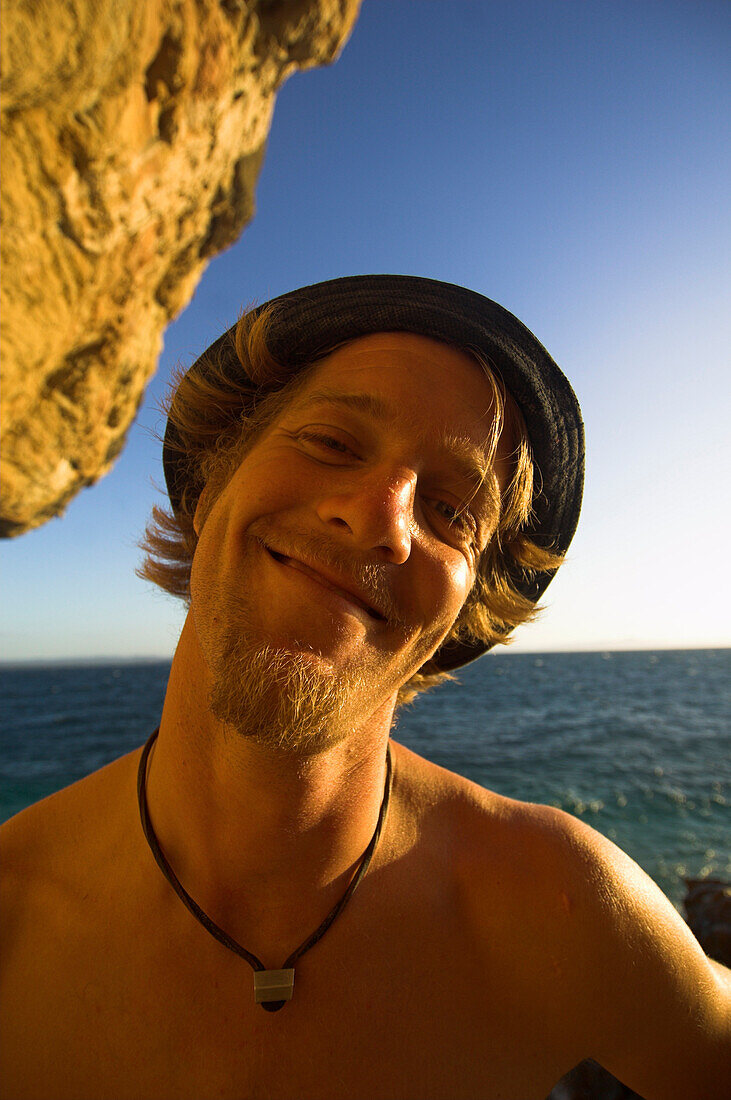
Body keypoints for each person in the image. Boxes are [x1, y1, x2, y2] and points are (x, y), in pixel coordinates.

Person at [0, 275, 727, 1100]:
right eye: (331, 442)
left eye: (453, 511)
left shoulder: (562, 907)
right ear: (208, 484)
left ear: (462, 615)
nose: (383, 516)